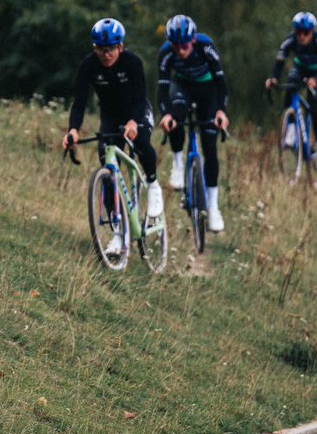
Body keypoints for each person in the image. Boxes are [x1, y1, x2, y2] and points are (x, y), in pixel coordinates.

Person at [62, 18, 163, 256]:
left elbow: (140, 98)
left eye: (110, 49)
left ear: (120, 47)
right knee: (107, 169)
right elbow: (79, 103)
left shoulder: (132, 62)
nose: (105, 54)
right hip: (110, 117)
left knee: (140, 143)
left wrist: (132, 122)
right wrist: (73, 129)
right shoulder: (88, 66)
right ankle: (119, 232)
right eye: (99, 49)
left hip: (136, 112)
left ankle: (153, 185)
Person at [156, 14, 230, 232]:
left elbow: (221, 82)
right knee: (176, 117)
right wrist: (166, 114)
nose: (180, 51)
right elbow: (162, 89)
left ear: (193, 41)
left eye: (185, 46)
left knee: (210, 147)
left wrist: (221, 112)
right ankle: (178, 166)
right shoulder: (166, 53)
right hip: (182, 88)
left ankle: (214, 207)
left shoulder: (206, 47)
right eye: (176, 46)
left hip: (208, 91)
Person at [266, 11, 317, 177]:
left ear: (312, 32)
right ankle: (292, 127)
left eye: (306, 33)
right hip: (300, 68)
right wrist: (273, 78)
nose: (301, 36)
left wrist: (316, 80)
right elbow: (279, 61)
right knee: (289, 89)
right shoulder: (290, 40)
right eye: (298, 32)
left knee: (315, 108)